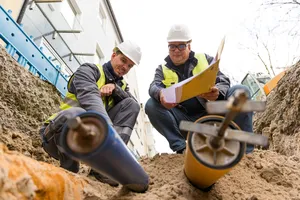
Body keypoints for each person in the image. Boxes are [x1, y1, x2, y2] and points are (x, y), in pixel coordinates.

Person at [39, 40, 142, 187]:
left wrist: (115, 89)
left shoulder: (122, 87)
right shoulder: (89, 70)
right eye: (123, 60)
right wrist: (108, 133)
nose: (125, 67)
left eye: (130, 66)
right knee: (78, 114)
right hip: (56, 136)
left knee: (131, 105)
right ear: (113, 55)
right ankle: (69, 168)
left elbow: (133, 106)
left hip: (86, 143)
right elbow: (90, 97)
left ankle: (104, 167)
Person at [145, 24, 254, 154]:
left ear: (189, 45)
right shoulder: (162, 69)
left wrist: (218, 92)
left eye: (181, 46)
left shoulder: (204, 59)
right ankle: (182, 149)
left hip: (215, 114)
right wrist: (160, 94)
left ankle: (246, 151)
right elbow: (154, 86)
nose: (176, 50)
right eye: (172, 46)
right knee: (151, 104)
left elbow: (223, 80)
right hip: (186, 122)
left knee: (240, 91)